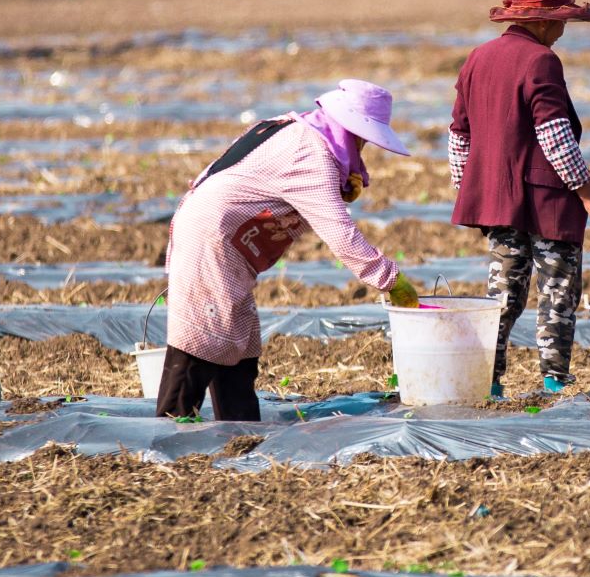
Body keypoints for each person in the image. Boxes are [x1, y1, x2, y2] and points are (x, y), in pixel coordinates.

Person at [161, 79, 419, 422]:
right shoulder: (314, 156)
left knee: (238, 342)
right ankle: (167, 433)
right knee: (202, 337)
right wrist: (391, 279)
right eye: (361, 138)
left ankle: (239, 431)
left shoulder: (292, 128)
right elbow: (340, 234)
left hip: (219, 231)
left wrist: (340, 184)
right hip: (212, 237)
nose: (362, 146)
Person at [449, 0, 590, 396]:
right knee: (557, 291)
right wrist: (588, 194)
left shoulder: (477, 58)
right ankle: (554, 379)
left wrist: (468, 187)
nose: (562, 31)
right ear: (541, 20)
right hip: (546, 201)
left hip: (498, 200)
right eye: (561, 21)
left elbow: (459, 134)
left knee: (501, 293)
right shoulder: (542, 61)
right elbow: (553, 132)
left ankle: (489, 381)